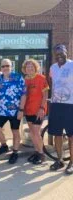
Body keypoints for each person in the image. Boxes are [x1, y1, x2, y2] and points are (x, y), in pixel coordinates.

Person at [0, 59, 26, 164]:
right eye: (3, 66)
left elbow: (24, 94)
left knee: (15, 131)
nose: (5, 68)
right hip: (1, 111)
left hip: (15, 111)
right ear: (1, 68)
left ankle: (15, 152)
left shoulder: (18, 77)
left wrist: (21, 109)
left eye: (7, 65)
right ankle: (4, 146)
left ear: (11, 66)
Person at [48, 44, 73, 174]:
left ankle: (72, 162)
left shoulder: (72, 65)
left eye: (61, 53)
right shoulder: (52, 67)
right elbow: (53, 84)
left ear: (66, 52)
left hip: (70, 105)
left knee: (71, 135)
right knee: (57, 134)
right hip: (56, 105)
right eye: (56, 54)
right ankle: (60, 160)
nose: (59, 56)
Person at [22, 59, 49, 164]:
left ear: (35, 67)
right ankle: (37, 152)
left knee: (36, 133)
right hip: (28, 110)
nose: (30, 68)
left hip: (39, 110)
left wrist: (42, 108)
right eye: (27, 67)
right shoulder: (25, 79)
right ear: (25, 69)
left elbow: (45, 95)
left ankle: (42, 154)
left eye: (31, 66)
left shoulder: (41, 78)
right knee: (32, 133)